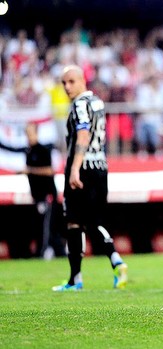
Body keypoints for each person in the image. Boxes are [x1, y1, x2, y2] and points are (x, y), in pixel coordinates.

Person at [53, 65, 128, 291]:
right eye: (64, 83)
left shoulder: (79, 105)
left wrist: (74, 168)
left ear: (82, 80)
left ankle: (76, 279)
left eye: (71, 81)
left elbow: (83, 134)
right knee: (94, 221)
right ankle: (115, 262)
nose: (67, 87)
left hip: (82, 166)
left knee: (75, 221)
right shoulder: (97, 102)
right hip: (100, 167)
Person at [23, 122, 66, 259]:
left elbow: (49, 170)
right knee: (42, 224)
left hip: (47, 194)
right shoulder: (29, 151)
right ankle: (56, 251)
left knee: (47, 225)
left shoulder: (43, 150)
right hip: (38, 195)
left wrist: (30, 170)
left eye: (31, 133)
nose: (29, 136)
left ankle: (43, 252)